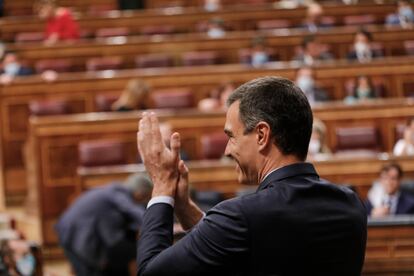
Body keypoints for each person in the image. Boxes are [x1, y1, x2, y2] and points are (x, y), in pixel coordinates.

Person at [136, 76, 367, 275]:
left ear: (261, 135)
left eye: (231, 136)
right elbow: (235, 244)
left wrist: (162, 184)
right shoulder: (350, 205)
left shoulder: (241, 217)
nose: (226, 150)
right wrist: (184, 207)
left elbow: (150, 272)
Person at [55, 174, 153, 276]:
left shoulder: (111, 191)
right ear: (139, 194)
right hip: (77, 235)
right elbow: (135, 212)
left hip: (69, 232)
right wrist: (155, 222)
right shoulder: (120, 193)